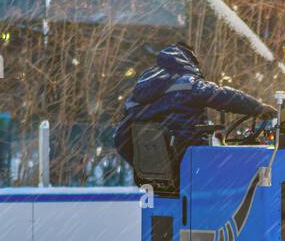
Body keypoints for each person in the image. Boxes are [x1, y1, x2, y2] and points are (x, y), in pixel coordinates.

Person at [114, 42, 274, 168]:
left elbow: (120, 137)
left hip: (161, 174)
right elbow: (223, 95)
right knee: (246, 164)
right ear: (188, 62)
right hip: (191, 161)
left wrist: (144, 169)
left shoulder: (137, 95)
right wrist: (257, 108)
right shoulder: (187, 83)